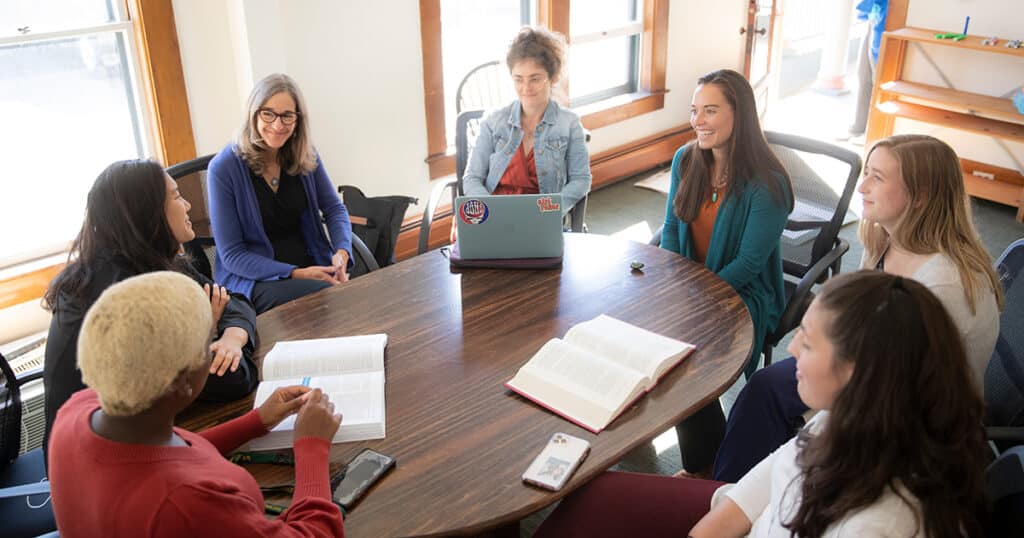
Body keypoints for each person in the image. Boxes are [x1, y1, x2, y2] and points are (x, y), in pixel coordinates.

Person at [535, 271, 990, 538]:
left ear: (857, 370)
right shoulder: (854, 415)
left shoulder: (876, 525)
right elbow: (773, 473)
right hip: (759, 518)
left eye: (807, 344)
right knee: (595, 494)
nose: (791, 351)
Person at [712, 133, 1003, 483]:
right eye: (866, 172)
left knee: (770, 400)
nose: (861, 187)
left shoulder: (942, 285)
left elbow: (898, 387)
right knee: (763, 389)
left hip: (914, 413)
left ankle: (732, 496)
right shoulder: (885, 241)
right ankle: (726, 490)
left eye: (877, 178)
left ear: (921, 196)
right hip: (871, 366)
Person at [48, 271, 344, 536]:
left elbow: (169, 453)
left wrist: (256, 421)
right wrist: (311, 445)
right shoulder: (186, 504)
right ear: (186, 381)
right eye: (209, 343)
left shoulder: (77, 411)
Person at [43, 159, 260, 467]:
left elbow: (232, 300)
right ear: (147, 212)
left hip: (128, 438)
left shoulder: (146, 261)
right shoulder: (132, 294)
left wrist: (233, 337)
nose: (187, 206)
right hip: (97, 466)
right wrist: (207, 332)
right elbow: (233, 380)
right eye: (175, 196)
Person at [660, 68, 793, 474]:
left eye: (711, 111)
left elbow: (749, 265)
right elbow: (670, 229)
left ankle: (706, 468)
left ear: (741, 115)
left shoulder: (767, 184)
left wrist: (694, 301)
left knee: (683, 364)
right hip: (688, 285)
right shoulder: (687, 160)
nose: (698, 121)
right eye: (694, 110)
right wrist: (667, 286)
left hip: (740, 296)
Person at [207, 73, 353, 314]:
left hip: (311, 263)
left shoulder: (305, 154)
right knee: (323, 296)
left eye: (287, 116)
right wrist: (295, 273)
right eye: (268, 114)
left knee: (355, 289)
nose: (277, 125)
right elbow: (233, 255)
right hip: (255, 279)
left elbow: (334, 208)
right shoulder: (223, 168)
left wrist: (342, 250)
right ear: (254, 114)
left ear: (298, 120)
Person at [462, 26, 591, 216]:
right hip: (494, 215)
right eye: (518, 79)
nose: (526, 88)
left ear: (552, 77)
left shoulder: (569, 124)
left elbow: (581, 180)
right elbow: (472, 178)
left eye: (535, 79)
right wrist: (490, 212)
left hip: (541, 217)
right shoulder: (492, 121)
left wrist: (548, 211)